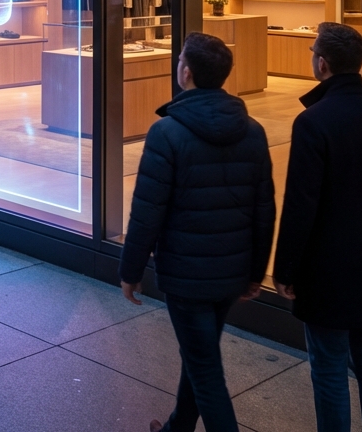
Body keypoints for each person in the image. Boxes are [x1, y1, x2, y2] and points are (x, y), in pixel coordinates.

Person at [119, 32, 275, 432]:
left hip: (187, 276)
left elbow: (147, 212)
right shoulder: (253, 131)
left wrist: (130, 270)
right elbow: (264, 210)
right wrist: (256, 272)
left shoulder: (167, 133)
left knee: (206, 370)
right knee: (200, 354)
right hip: (232, 271)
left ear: (185, 72)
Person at [273, 22, 362, 432]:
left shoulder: (314, 122)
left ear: (322, 64)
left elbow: (301, 206)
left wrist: (286, 269)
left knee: (330, 367)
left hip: (326, 269)